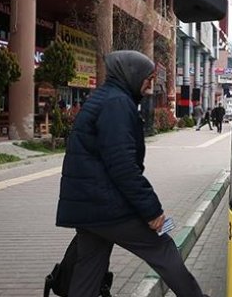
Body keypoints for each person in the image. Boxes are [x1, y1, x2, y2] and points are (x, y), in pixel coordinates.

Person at [56, 50, 207, 297]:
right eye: (148, 78)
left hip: (88, 207)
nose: (151, 85)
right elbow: (123, 166)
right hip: (107, 206)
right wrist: (152, 210)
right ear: (132, 74)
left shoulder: (104, 98)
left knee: (89, 270)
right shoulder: (117, 104)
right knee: (163, 247)